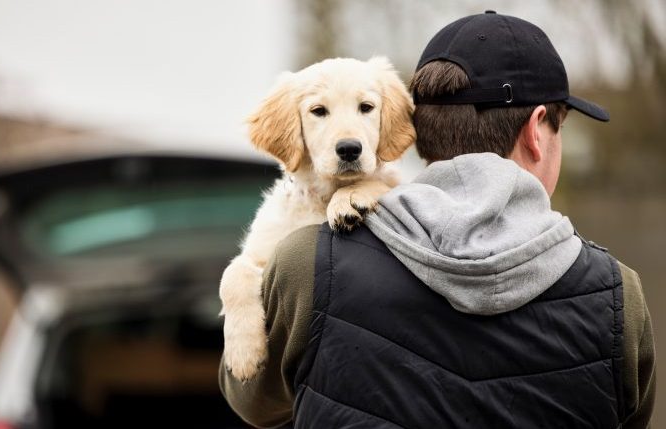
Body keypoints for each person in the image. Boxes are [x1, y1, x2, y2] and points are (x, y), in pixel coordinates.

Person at [219, 11, 655, 428]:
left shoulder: (306, 263)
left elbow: (254, 403)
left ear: (415, 129)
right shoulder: (618, 295)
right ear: (538, 130)